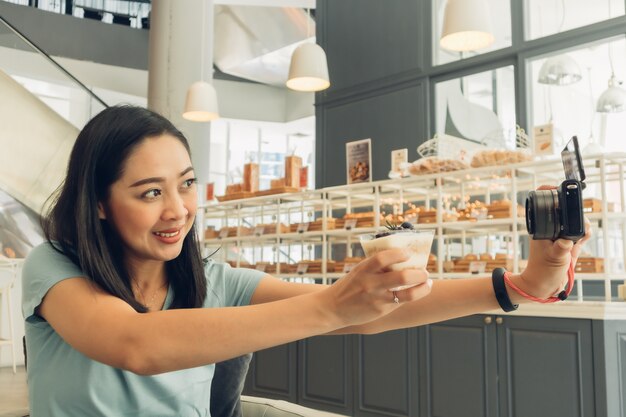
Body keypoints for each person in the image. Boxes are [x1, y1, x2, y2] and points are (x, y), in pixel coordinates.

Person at [22, 105, 590, 417]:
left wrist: (518, 283)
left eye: (188, 185)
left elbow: (377, 314)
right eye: (150, 193)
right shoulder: (54, 268)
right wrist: (331, 305)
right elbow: (136, 346)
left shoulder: (215, 279)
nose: (178, 210)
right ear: (98, 203)